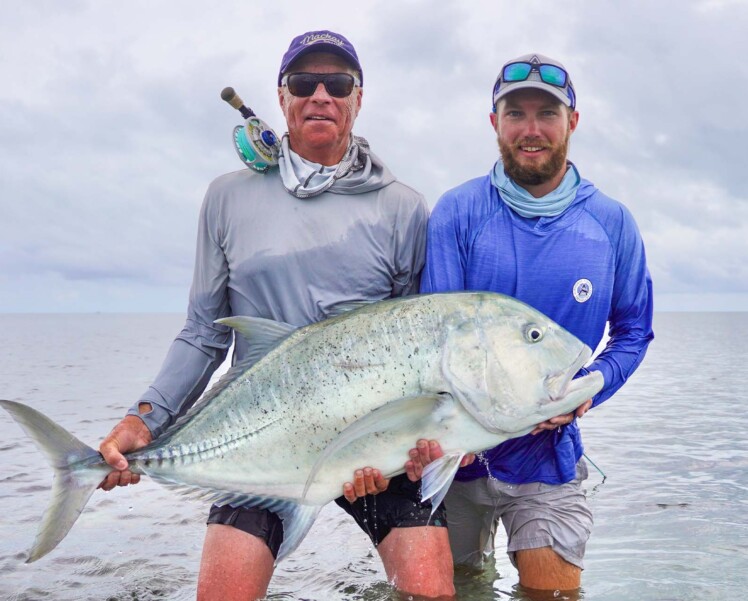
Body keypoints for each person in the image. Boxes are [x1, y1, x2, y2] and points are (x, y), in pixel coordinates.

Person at [96, 31, 455, 601]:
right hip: (261, 436)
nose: (320, 95)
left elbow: (417, 346)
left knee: (430, 590)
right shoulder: (227, 199)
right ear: (281, 97)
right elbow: (202, 332)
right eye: (302, 83)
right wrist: (144, 420)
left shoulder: (402, 207)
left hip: (368, 444)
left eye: (337, 84)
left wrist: (412, 444)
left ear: (358, 99)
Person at [417, 53, 654, 595]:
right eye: (515, 114)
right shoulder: (458, 211)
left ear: (572, 121)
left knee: (554, 593)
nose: (531, 130)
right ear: (493, 123)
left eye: (546, 114)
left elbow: (634, 331)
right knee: (444, 589)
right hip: (456, 458)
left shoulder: (612, 223)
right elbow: (437, 340)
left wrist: (589, 389)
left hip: (548, 459)